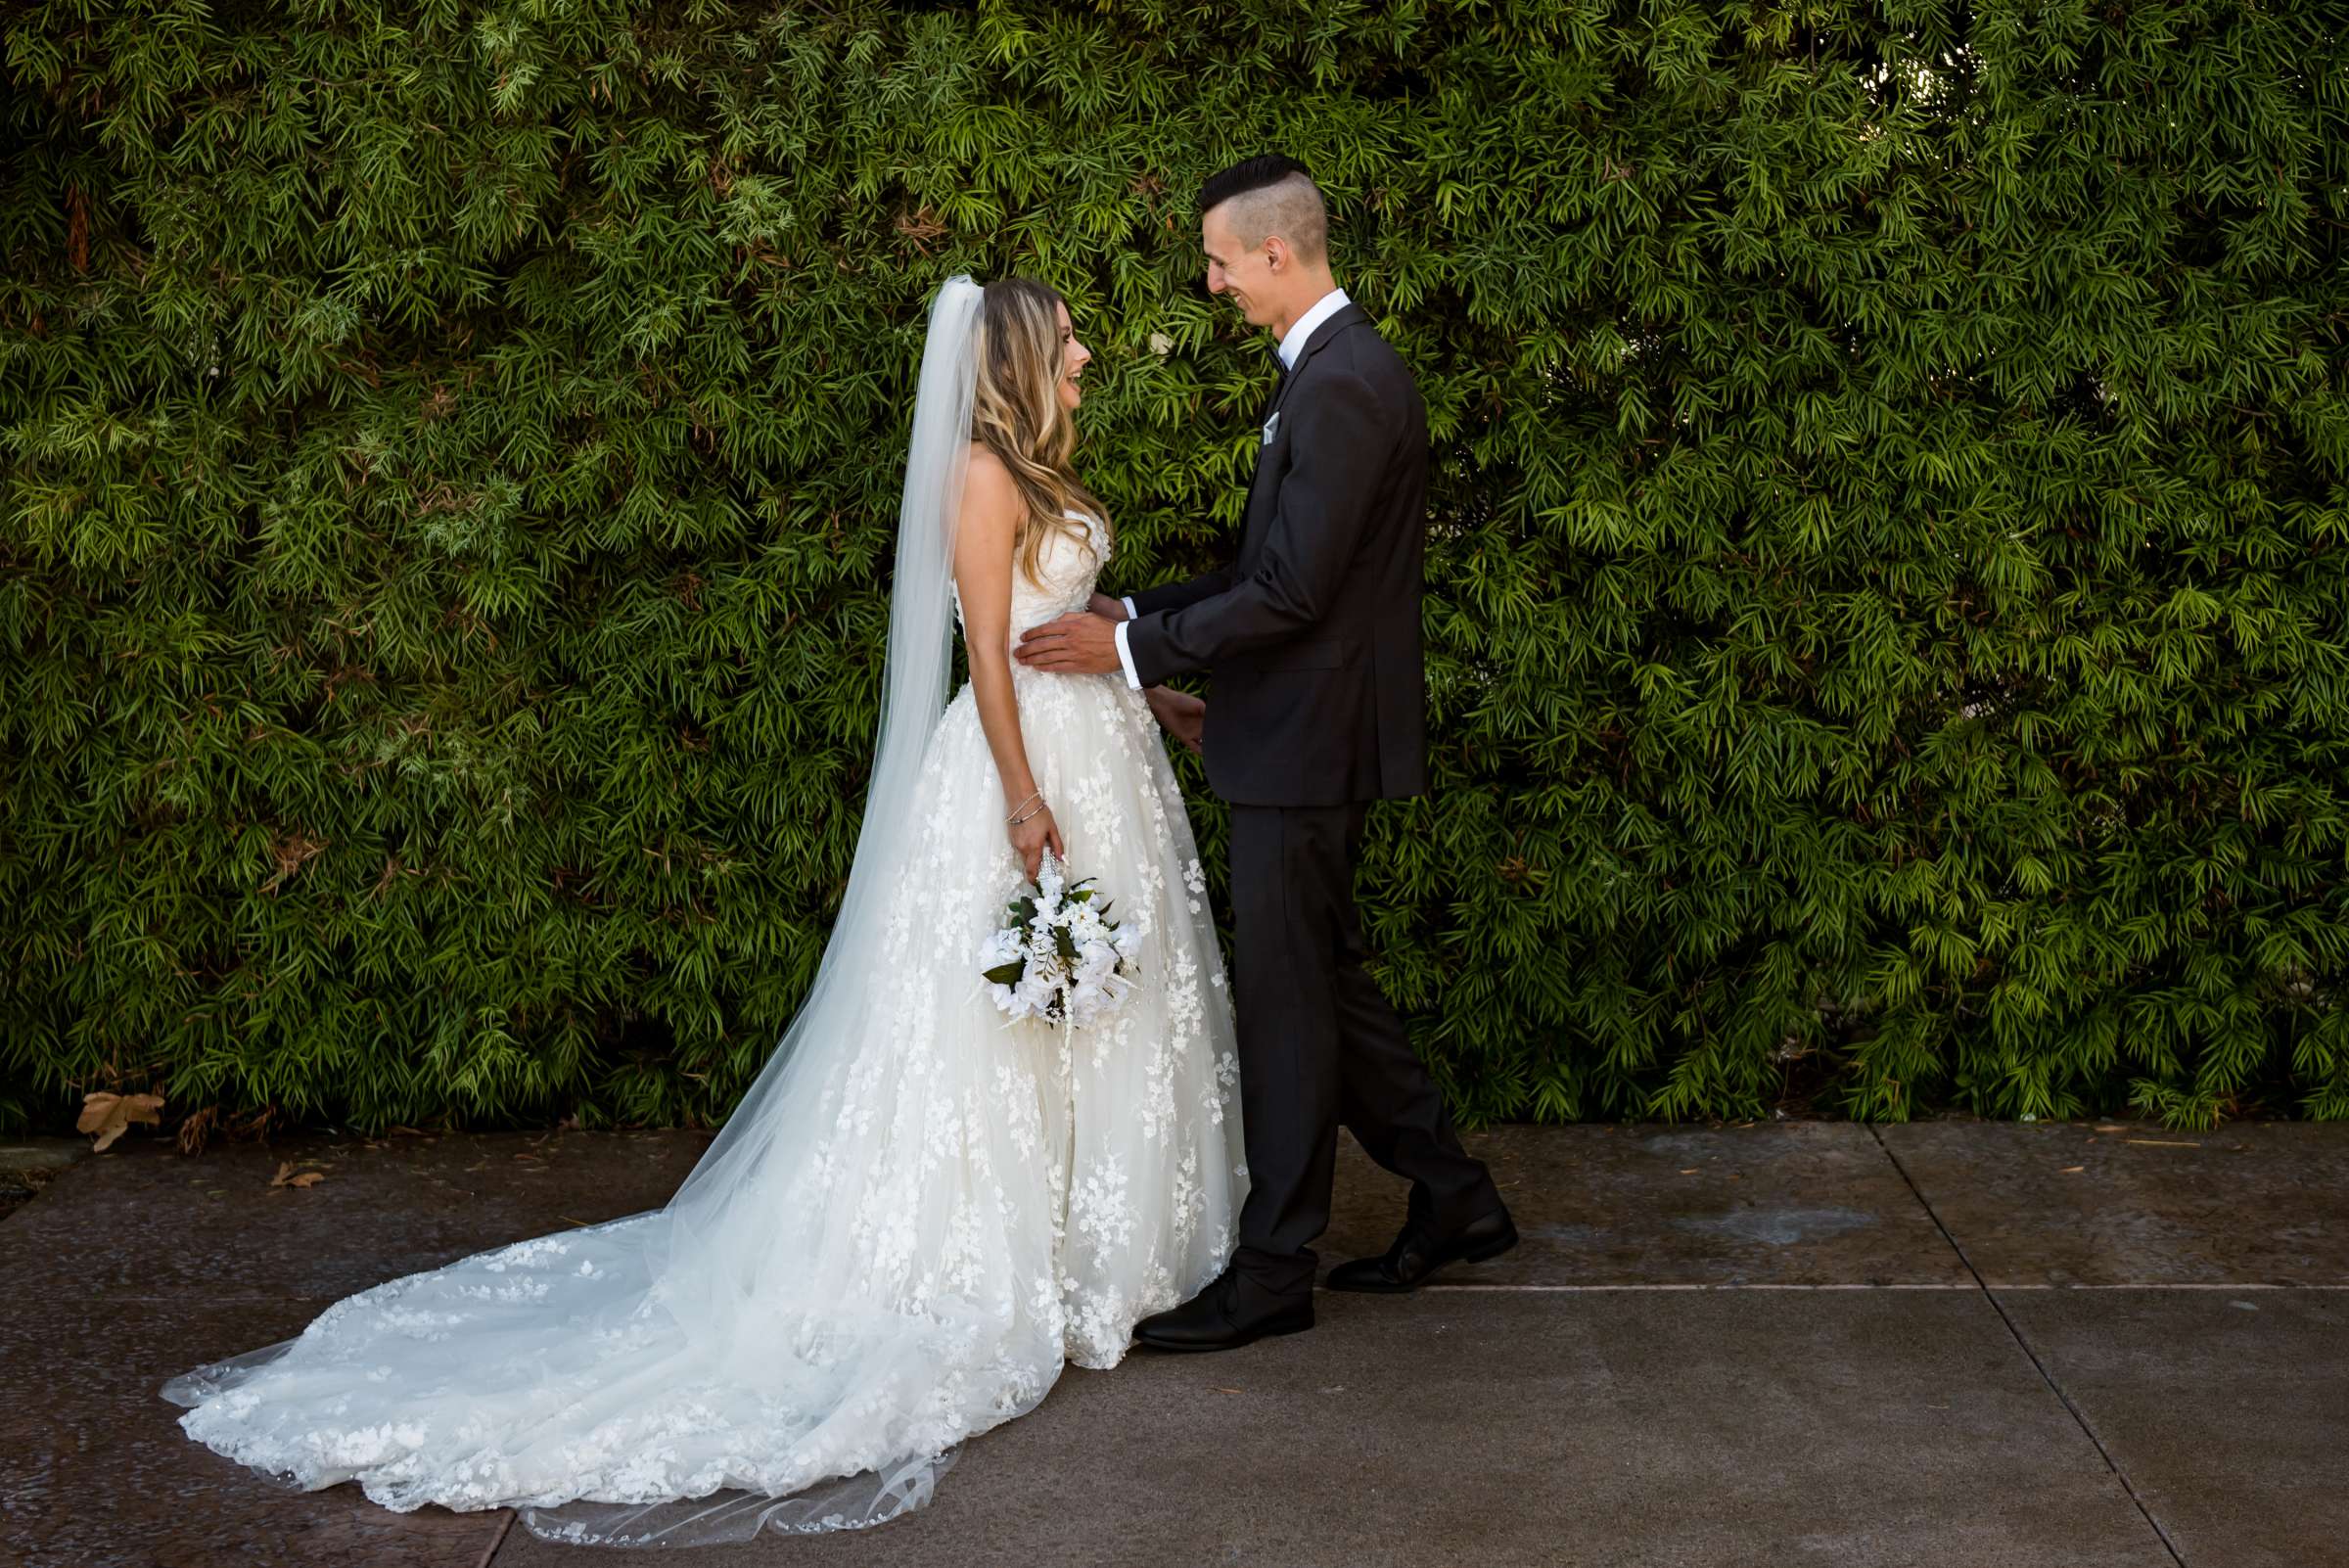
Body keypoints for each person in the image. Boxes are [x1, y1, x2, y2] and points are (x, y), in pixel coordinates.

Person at [159, 274, 1247, 1546]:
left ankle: (1097, 1251)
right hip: (1028, 770)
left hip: (1104, 756)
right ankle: (1009, 1259)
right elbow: (993, 652)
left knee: (1100, 1009)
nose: (1084, 352)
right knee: (1001, 1022)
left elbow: (1067, 628)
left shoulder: (1046, 474)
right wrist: (1018, 796)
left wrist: (1149, 697)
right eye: (1066, 338)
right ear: (1017, 354)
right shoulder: (981, 474)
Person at [1016, 154, 1515, 1354]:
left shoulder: (1344, 384)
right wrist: (1134, 619)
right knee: (1327, 983)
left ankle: (1276, 1268)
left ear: (1276, 255)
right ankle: (1455, 1197)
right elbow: (1265, 574)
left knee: (1290, 1011)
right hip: (1301, 732)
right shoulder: (1331, 374)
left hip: (1306, 744)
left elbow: (1289, 594)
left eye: (1221, 261)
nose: (1215, 281)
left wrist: (1133, 662)